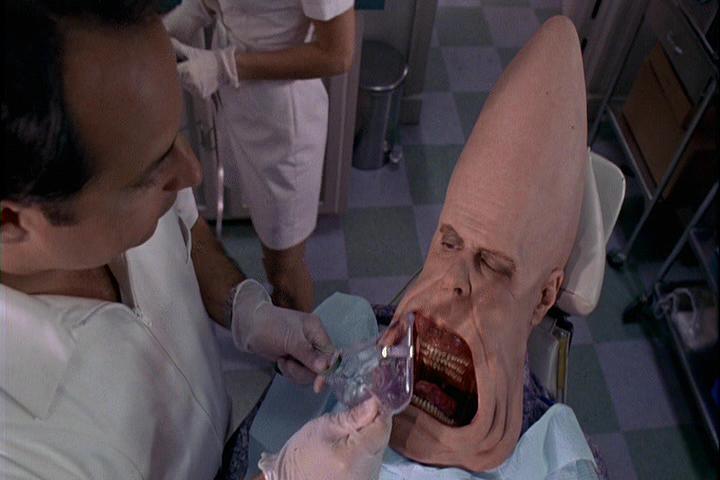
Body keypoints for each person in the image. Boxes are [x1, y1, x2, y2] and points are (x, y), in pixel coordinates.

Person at [0, 1, 389, 479]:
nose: (191, 173)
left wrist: (246, 309)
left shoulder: (118, 175)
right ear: (11, 220)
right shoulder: (20, 448)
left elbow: (183, 229)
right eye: (151, 172)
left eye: (175, 137)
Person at [244, 16, 602, 480]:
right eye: (449, 242)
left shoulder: (555, 462)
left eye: (494, 266)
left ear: (544, 296)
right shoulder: (344, 330)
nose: (454, 281)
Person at [162, 0, 356, 313]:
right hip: (238, 103)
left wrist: (225, 67)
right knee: (267, 238)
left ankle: (301, 337)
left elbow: (338, 54)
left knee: (284, 268)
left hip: (281, 125)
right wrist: (182, 20)